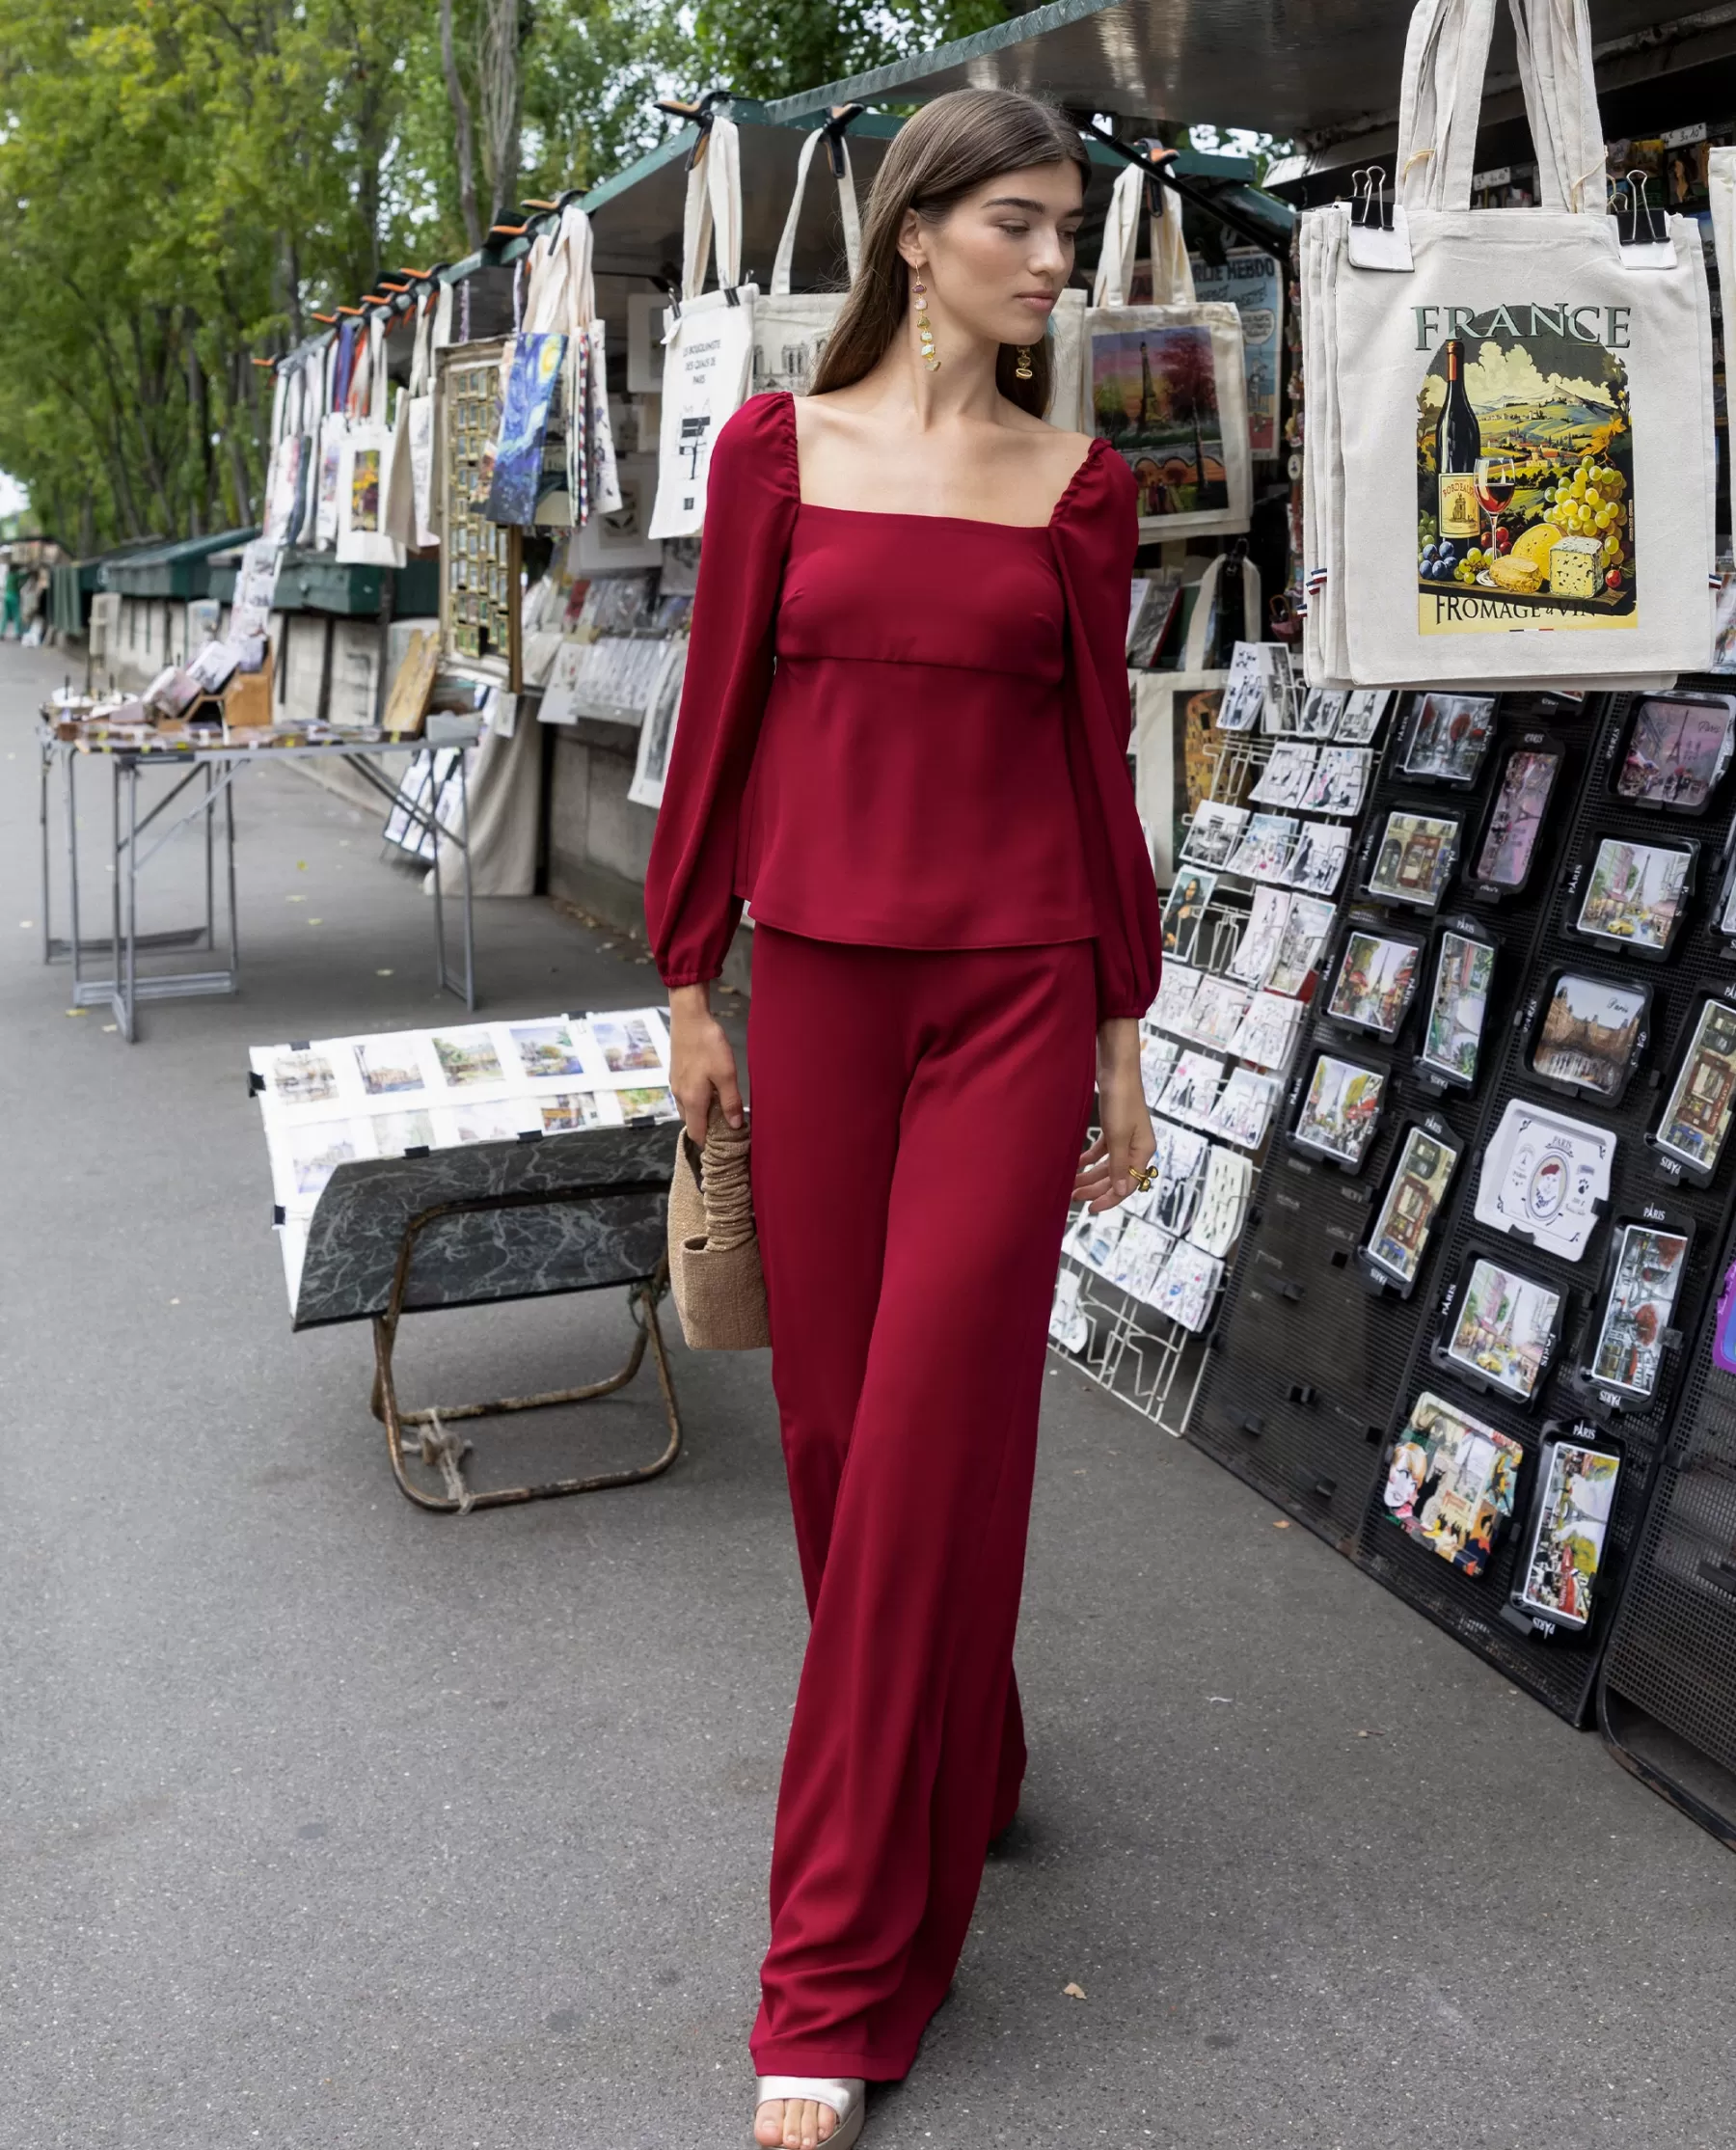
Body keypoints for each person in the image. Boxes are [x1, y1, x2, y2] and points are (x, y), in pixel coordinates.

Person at [642, 85, 1162, 2150]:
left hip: (1019, 997)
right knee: (847, 1442)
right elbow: (720, 717)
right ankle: (968, 1744)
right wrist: (686, 973)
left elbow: (1099, 771)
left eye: (1072, 233)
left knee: (939, 1417)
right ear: (918, 227)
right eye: (1026, 226)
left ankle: (836, 1970)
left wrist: (1124, 1028)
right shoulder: (779, 450)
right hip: (824, 988)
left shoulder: (1086, 484)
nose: (1058, 266)